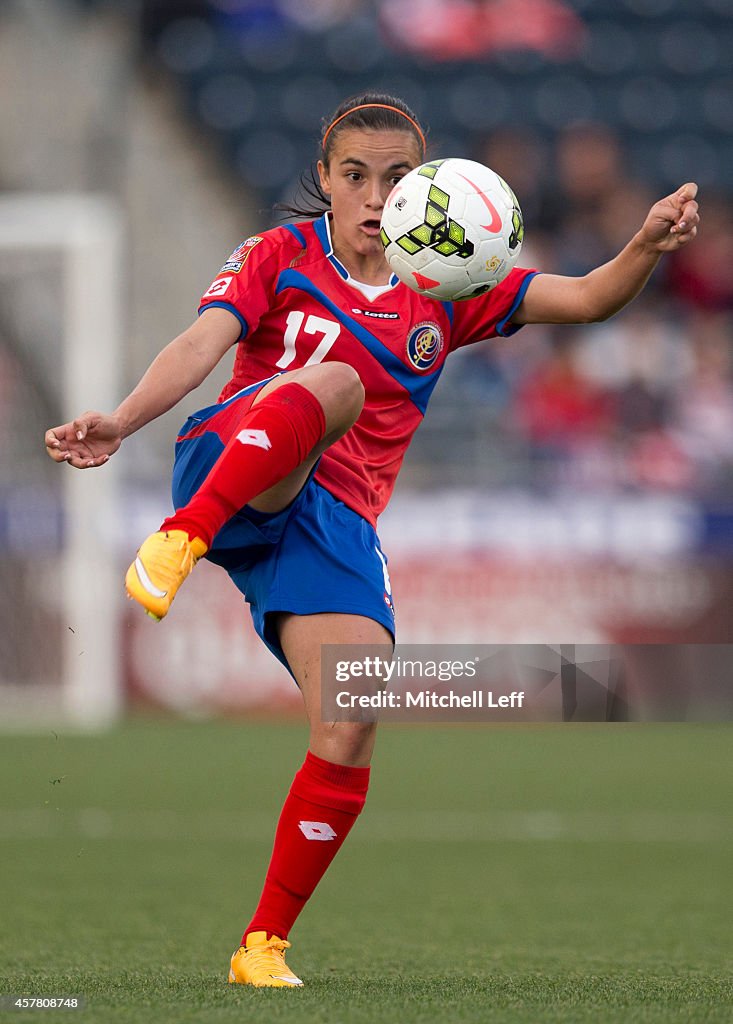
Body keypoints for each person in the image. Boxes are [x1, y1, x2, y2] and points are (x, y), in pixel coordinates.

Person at [44, 92, 699, 987]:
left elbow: (585, 299)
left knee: (351, 717)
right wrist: (121, 421)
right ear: (324, 180)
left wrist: (645, 246)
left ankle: (261, 946)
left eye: (393, 178)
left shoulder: (446, 283)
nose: (371, 194)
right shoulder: (280, 254)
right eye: (353, 175)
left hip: (331, 525)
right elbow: (203, 342)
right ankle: (178, 539)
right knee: (337, 386)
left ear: (419, 190)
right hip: (233, 461)